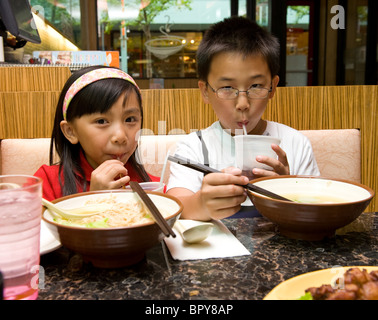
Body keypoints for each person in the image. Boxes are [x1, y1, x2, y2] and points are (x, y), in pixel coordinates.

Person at [166, 17, 320, 221]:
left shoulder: (294, 143)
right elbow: (177, 207)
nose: (242, 103)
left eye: (256, 86)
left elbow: (317, 210)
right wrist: (201, 203)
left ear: (272, 87)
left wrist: (289, 189)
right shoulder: (194, 147)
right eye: (227, 88)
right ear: (205, 91)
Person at [34, 65, 160, 201]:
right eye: (101, 121)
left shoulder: (153, 187)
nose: (120, 136)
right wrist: (94, 199)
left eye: (130, 119)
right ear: (71, 131)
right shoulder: (45, 184)